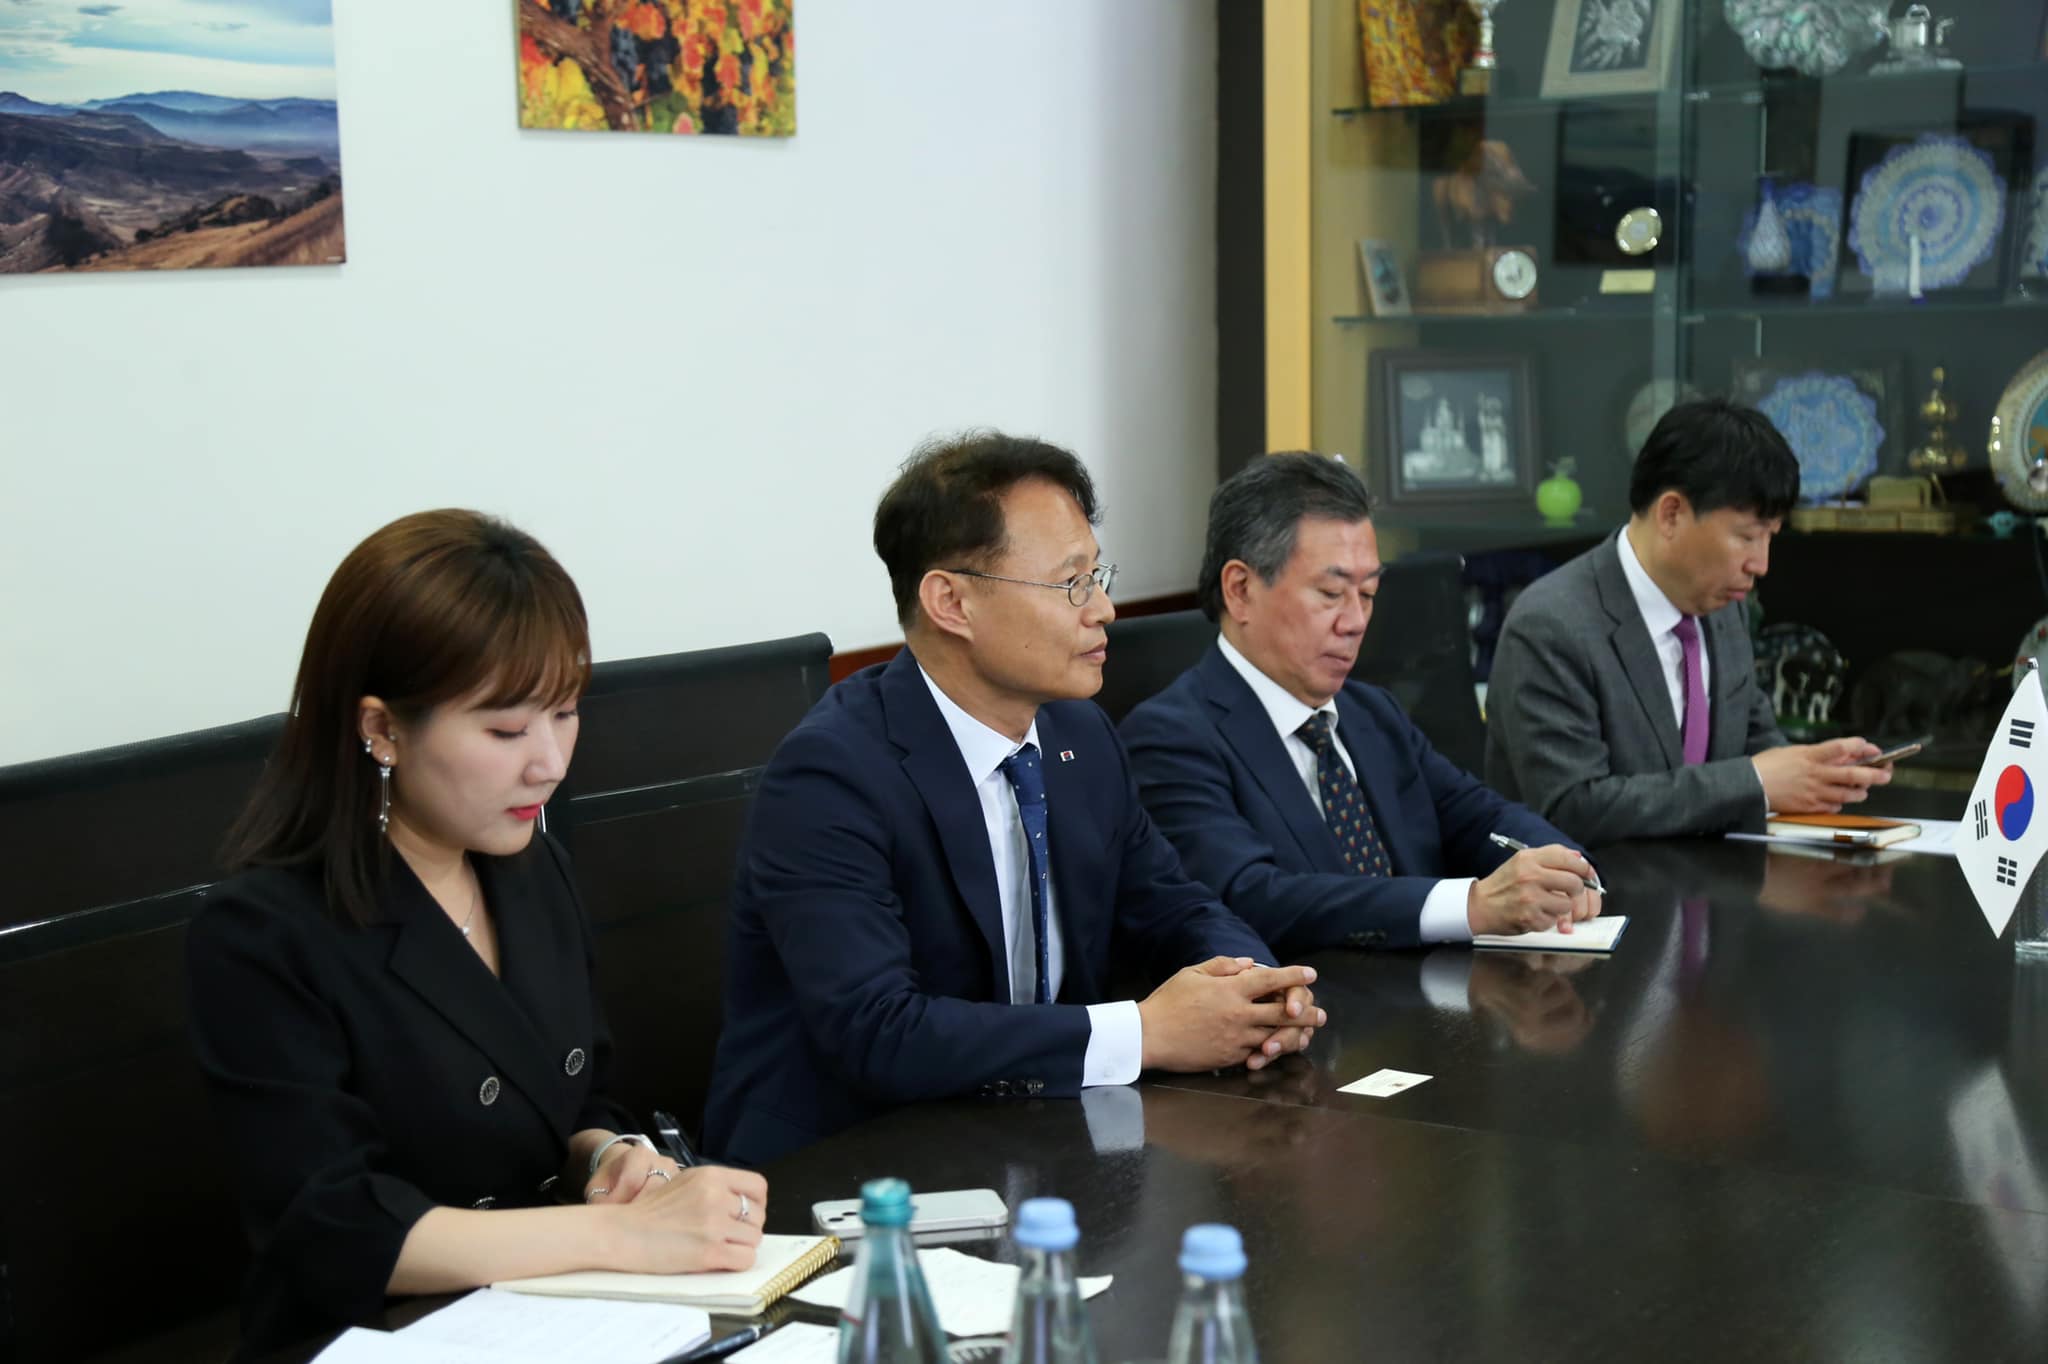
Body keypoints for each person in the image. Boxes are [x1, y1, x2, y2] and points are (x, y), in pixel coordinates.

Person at [188, 510, 766, 1359]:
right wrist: (621, 1235)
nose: (550, 763)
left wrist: (611, 1157)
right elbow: (333, 1225)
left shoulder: (529, 866)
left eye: (565, 713)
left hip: (555, 1309)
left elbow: (576, 1097)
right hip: (378, 1335)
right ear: (382, 729)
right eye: (505, 731)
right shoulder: (263, 932)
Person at [702, 433, 1325, 1167]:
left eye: (1098, 575)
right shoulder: (831, 775)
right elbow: (879, 1032)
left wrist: (1255, 991)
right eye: (1071, 584)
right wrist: (1145, 1032)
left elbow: (1173, 904)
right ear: (952, 602)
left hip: (1038, 1138)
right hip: (844, 1167)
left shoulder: (1079, 734)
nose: (1104, 609)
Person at [1120, 453, 1597, 957]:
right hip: (1316, 1000)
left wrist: (1564, 866)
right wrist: (1470, 904)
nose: (1355, 622)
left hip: (1431, 992)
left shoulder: (1372, 713)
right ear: (1240, 591)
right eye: (1331, 593)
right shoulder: (1169, 739)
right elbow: (1250, 898)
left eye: (1367, 593)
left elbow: (1480, 818)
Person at [1485, 398, 1890, 844]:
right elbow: (1572, 809)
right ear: (1672, 514)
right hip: (1595, 884)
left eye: (1770, 537)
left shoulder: (1724, 607)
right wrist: (1756, 782)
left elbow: (1754, 742)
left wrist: (1817, 770)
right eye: (1746, 537)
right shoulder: (1551, 626)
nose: (1761, 564)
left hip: (1712, 877)